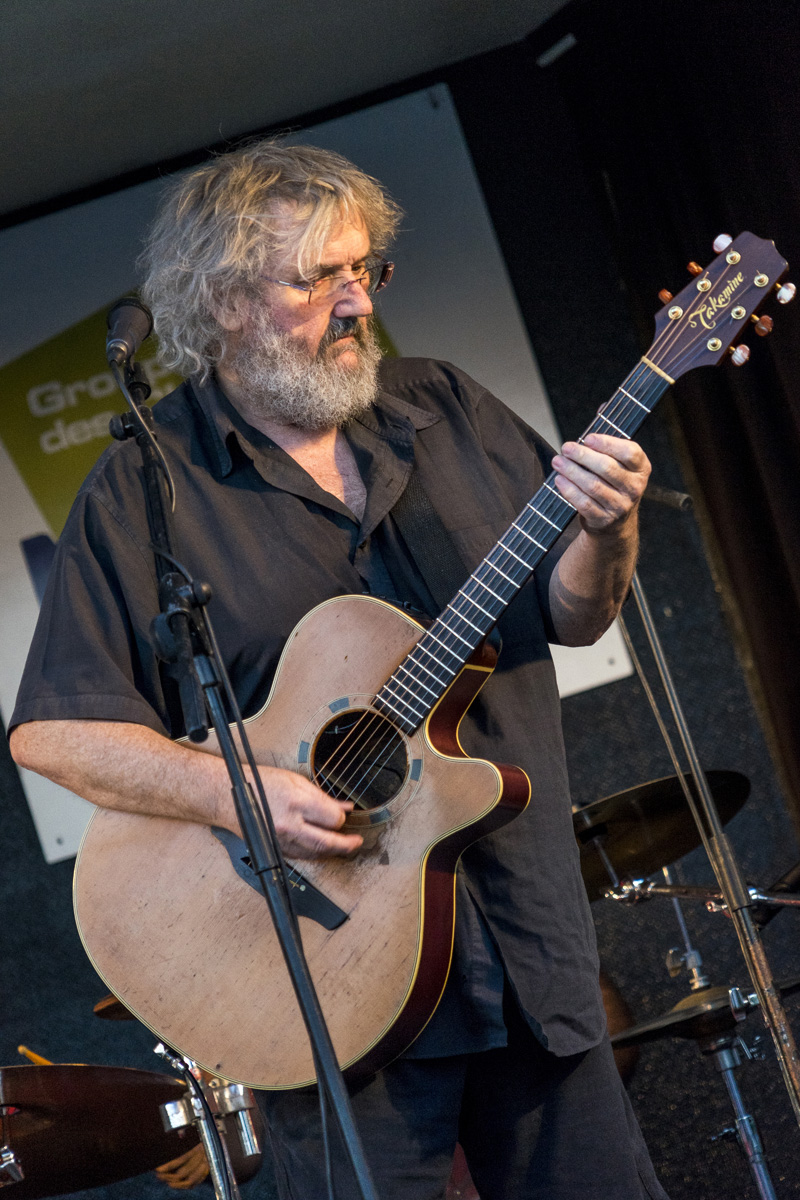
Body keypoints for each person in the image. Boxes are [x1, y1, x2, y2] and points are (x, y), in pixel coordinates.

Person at [9, 139, 667, 1200]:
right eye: (318, 277)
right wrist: (237, 795)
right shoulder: (145, 486)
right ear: (224, 301)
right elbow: (55, 730)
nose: (356, 303)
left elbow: (574, 614)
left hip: (524, 939)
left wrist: (609, 530)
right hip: (322, 981)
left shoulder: (446, 408)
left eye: (366, 270)